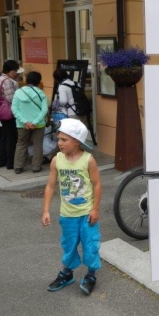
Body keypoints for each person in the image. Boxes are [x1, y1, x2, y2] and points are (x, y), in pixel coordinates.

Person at [41, 118, 101, 296]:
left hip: (86, 214)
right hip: (67, 215)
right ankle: (67, 273)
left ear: (77, 141)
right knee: (69, 245)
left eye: (64, 140)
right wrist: (46, 210)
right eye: (58, 139)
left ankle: (91, 275)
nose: (59, 143)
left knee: (90, 245)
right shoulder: (56, 160)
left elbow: (97, 184)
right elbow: (50, 186)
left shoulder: (88, 160)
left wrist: (95, 209)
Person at [12, 71, 48, 174]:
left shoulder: (18, 92)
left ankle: (18, 166)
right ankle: (36, 167)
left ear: (26, 80)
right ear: (39, 82)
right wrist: (34, 122)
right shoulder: (41, 93)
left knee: (21, 144)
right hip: (39, 124)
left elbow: (14, 109)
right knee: (38, 145)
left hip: (22, 124)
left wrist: (25, 122)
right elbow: (44, 110)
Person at [0, 60, 22, 170]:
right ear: (9, 70)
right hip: (8, 112)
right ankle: (10, 162)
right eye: (14, 71)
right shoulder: (8, 81)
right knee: (11, 137)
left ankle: (1, 160)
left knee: (4, 136)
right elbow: (11, 99)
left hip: (0, 112)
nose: (15, 73)